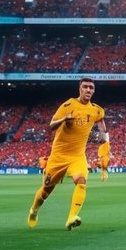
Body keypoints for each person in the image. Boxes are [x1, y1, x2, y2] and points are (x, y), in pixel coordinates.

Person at [28, 77, 107, 230]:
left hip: (77, 156)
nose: (88, 90)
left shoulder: (97, 110)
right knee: (46, 191)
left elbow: (102, 122)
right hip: (58, 157)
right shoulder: (68, 105)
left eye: (91, 87)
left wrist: (105, 138)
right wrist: (65, 119)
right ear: (80, 88)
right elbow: (51, 125)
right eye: (85, 87)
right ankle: (34, 210)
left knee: (81, 181)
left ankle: (71, 218)